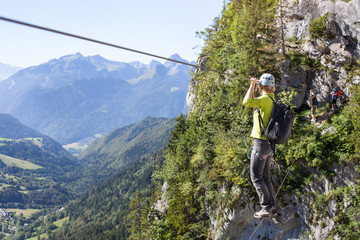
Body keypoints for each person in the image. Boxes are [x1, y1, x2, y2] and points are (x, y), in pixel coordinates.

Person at [243, 73, 277, 218]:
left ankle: (266, 207)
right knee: (265, 176)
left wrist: (251, 86)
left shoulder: (263, 99)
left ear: (260, 86)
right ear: (273, 87)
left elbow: (246, 102)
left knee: (256, 177)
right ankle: (272, 205)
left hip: (261, 143)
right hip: (269, 144)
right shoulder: (272, 99)